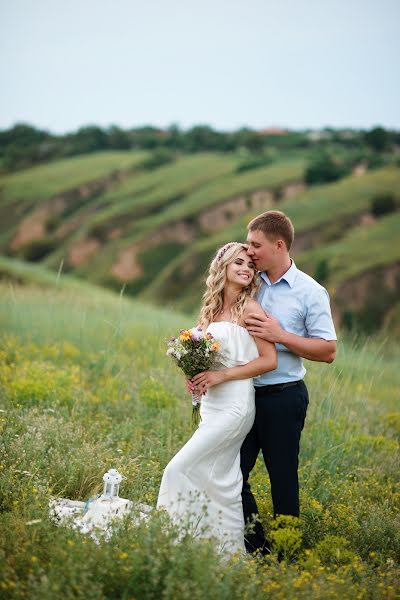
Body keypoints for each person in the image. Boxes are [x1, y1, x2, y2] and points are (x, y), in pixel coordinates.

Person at [157, 242, 277, 554]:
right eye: (238, 262)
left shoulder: (250, 309)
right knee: (219, 479)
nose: (245, 269)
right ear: (222, 266)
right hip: (211, 404)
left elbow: (268, 360)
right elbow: (201, 354)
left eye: (250, 265)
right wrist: (192, 375)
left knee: (177, 468)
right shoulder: (210, 311)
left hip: (235, 406)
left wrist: (221, 376)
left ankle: (170, 541)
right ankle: (215, 550)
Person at [241, 210, 337, 554]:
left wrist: (281, 335)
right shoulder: (246, 280)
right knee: (232, 473)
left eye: (256, 245)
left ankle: (287, 555)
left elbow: (328, 350)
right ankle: (256, 547)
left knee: (283, 481)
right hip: (243, 396)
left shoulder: (310, 292)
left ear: (278, 245)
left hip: (284, 398)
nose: (248, 251)